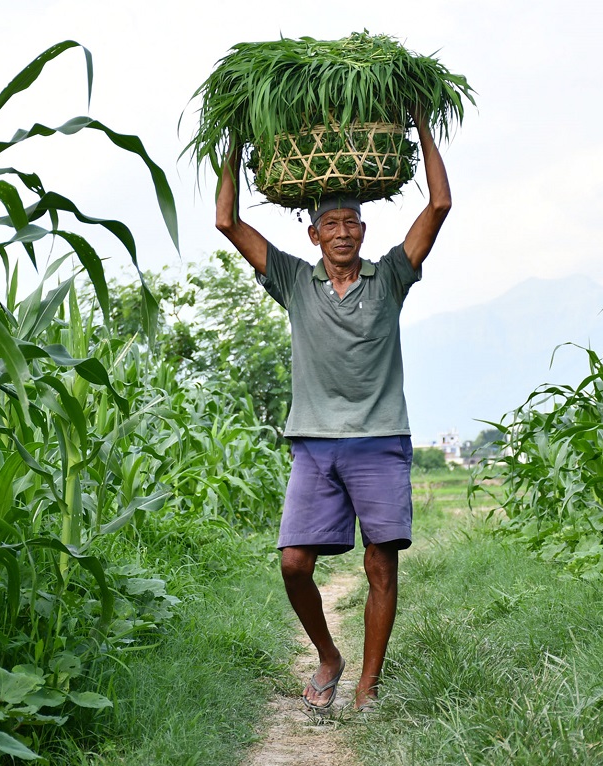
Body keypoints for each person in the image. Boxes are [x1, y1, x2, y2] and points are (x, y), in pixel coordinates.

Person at [214, 113, 451, 712]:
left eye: (351, 223)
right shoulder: (294, 281)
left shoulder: (390, 276)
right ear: (314, 234)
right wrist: (234, 141)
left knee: (380, 565)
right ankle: (328, 656)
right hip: (314, 444)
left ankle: (368, 686)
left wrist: (423, 126)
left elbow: (440, 205)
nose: (342, 233)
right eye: (331, 224)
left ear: (363, 231)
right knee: (294, 562)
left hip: (380, 440)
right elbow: (226, 222)